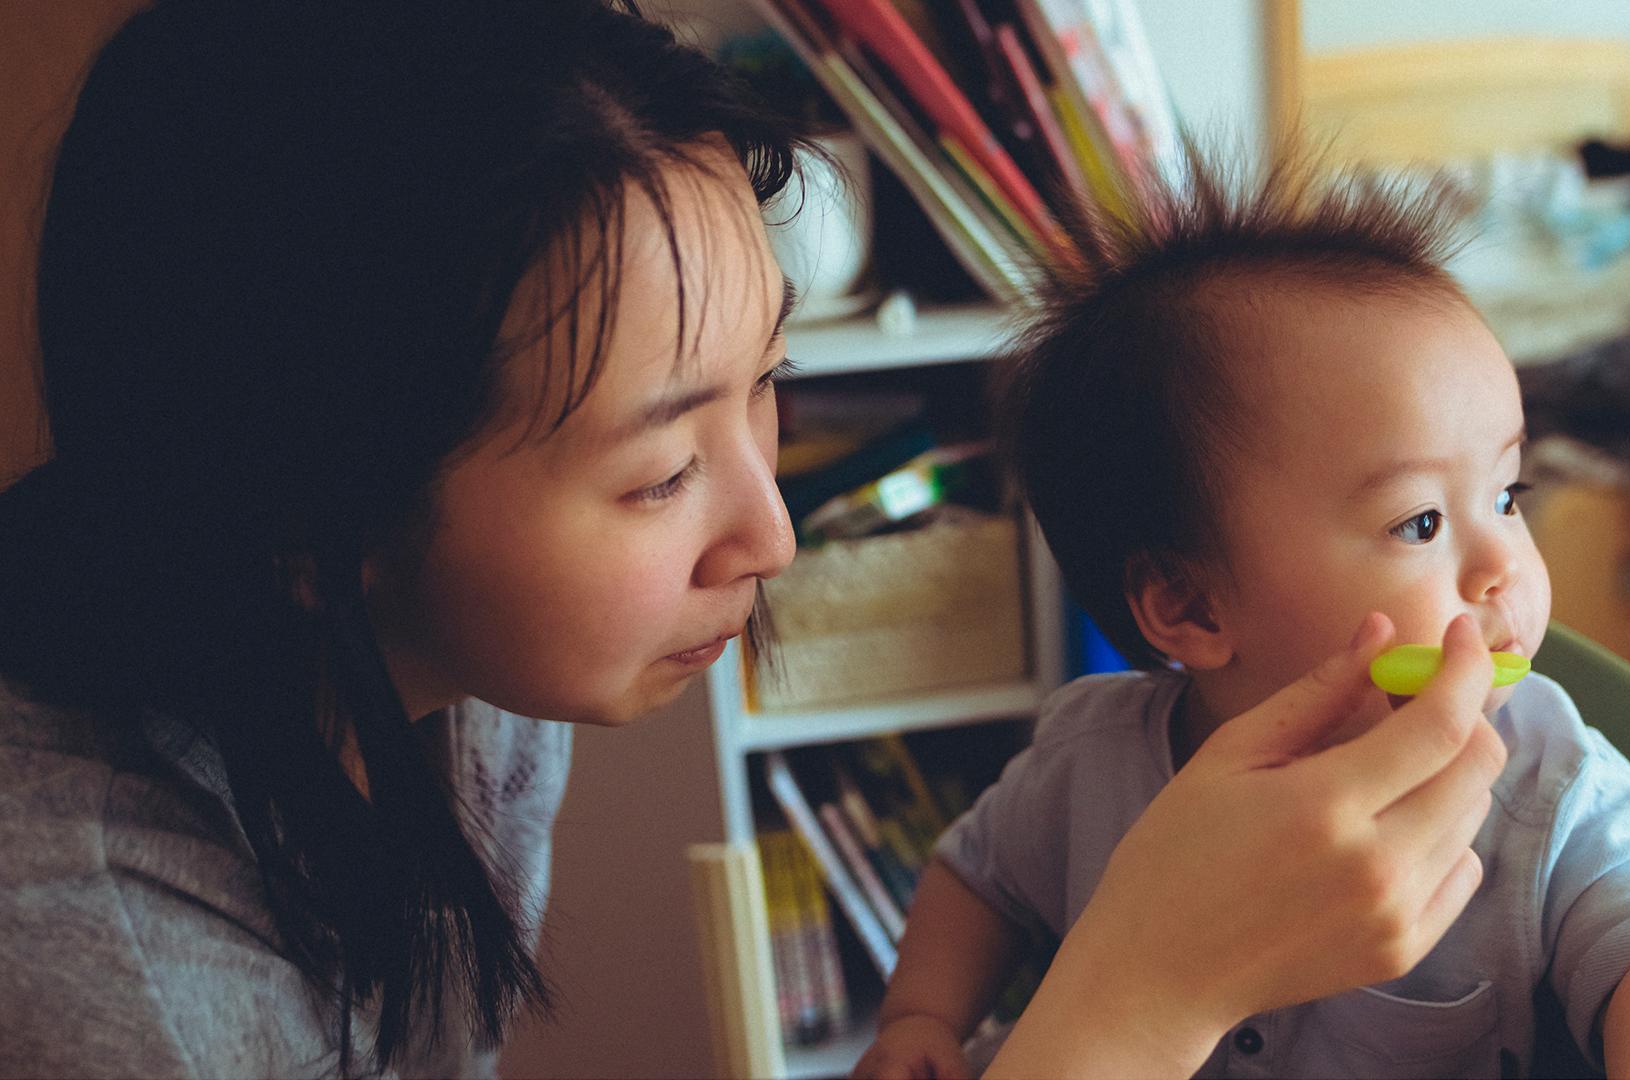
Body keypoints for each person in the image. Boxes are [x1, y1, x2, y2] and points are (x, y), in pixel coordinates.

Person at [0, 3, 1507, 1077]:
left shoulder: (464, 698)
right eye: (662, 474)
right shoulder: (102, 978)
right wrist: (1143, 998)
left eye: (768, 382)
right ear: (311, 512)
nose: (774, 535)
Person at [855, 160, 1630, 1078]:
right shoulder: (1088, 763)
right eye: (1421, 523)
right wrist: (923, 1016)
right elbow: (979, 876)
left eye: (1506, 495)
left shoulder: (1542, 776)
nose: (1503, 565)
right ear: (1191, 605)